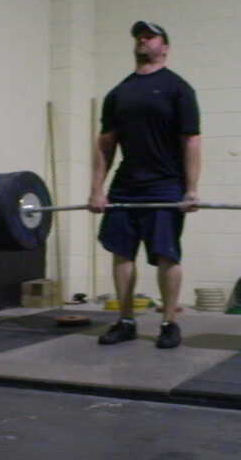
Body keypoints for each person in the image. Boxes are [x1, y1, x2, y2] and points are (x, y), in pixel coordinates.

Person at [89, 21, 202, 349]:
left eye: (150, 36)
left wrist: (191, 187)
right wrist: (98, 189)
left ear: (165, 47)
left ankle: (169, 322)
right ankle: (125, 321)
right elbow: (106, 144)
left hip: (167, 184)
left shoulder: (178, 89)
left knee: (167, 254)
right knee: (121, 252)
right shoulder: (118, 93)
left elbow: (191, 140)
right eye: (139, 35)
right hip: (127, 185)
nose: (142, 38)